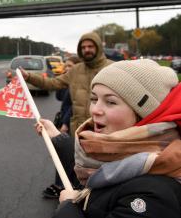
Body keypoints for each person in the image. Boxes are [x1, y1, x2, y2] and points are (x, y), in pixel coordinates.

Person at [36, 59, 181, 218]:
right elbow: (96, 172)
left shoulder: (155, 194)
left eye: (110, 102)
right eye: (94, 99)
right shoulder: (113, 152)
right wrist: (58, 138)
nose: (95, 110)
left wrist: (68, 209)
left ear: (144, 113)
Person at [21, 32, 113, 136]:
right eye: (83, 47)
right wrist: (28, 77)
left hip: (105, 131)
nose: (86, 50)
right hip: (78, 132)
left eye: (90, 46)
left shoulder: (113, 68)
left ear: (98, 47)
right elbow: (52, 83)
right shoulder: (75, 70)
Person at [43, 55, 81, 199]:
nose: (67, 69)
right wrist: (63, 76)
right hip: (65, 119)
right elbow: (59, 97)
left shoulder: (79, 83)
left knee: (67, 155)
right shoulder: (70, 80)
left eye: (70, 66)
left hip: (70, 122)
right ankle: (62, 184)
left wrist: (65, 124)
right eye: (66, 66)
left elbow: (73, 106)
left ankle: (62, 186)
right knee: (63, 153)